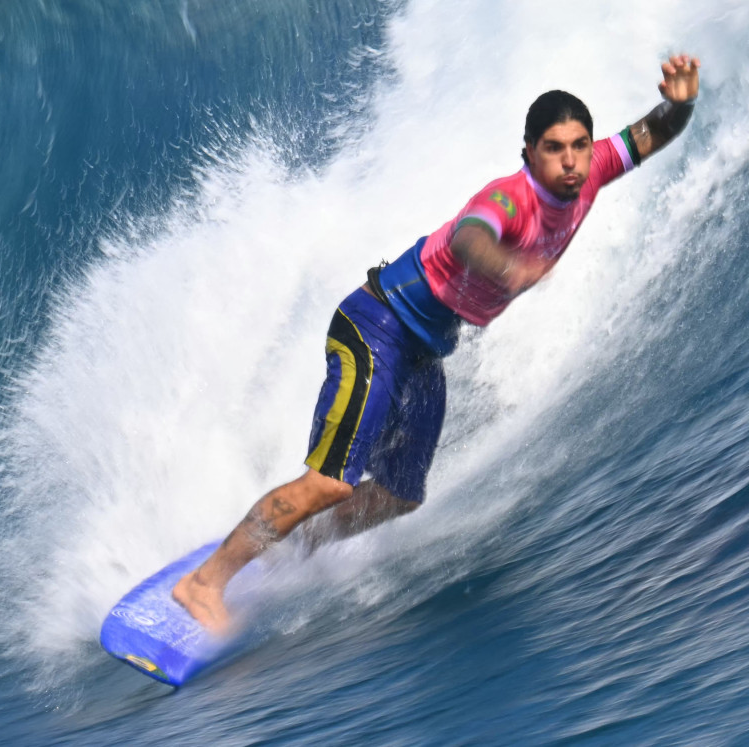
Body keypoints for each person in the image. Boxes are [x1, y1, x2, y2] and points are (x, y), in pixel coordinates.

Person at [171, 54, 701, 631]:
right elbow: (473, 238)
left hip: (425, 348)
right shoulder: (507, 200)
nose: (570, 160)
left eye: (579, 145)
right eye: (553, 147)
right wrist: (509, 267)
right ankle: (204, 584)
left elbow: (652, 133)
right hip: (377, 325)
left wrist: (681, 102)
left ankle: (294, 543)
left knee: (400, 493)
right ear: (528, 151)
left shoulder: (592, 170)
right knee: (329, 480)